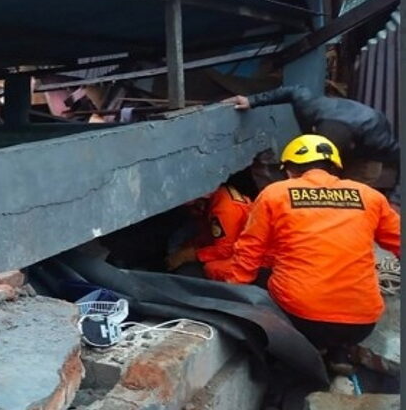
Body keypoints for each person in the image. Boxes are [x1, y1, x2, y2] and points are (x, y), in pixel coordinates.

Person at [219, 134, 401, 373]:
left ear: (289, 171)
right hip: (362, 323)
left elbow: (249, 251)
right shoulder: (369, 196)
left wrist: (233, 294)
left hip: (303, 319)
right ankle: (339, 352)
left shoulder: (275, 194)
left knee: (262, 278)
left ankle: (290, 355)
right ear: (335, 168)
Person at [223, 85, 399, 187]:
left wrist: (397, 200)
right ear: (314, 129)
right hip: (337, 133)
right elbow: (293, 90)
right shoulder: (309, 108)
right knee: (316, 181)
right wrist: (252, 100)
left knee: (351, 195)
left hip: (362, 158)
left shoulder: (376, 137)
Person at [165, 184, 254, 281]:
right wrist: (194, 245)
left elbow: (225, 250)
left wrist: (189, 255)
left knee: (211, 269)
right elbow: (210, 232)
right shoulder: (217, 196)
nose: (191, 212)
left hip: (249, 255)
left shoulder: (224, 209)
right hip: (236, 241)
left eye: (192, 207)